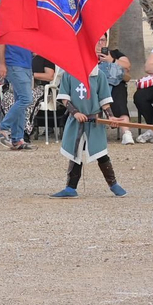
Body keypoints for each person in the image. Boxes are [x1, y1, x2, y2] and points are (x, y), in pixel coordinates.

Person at [51, 40, 127, 198]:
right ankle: (70, 188)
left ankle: (113, 184)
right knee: (75, 153)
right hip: (76, 121)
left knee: (101, 153)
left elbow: (104, 101)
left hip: (94, 122)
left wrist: (111, 117)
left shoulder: (99, 76)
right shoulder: (69, 74)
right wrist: (75, 113)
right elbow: (65, 98)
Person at [0, 39, 35, 151]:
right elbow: (0, 42)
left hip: (25, 64)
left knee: (21, 100)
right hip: (14, 64)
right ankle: (3, 127)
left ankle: (17, 139)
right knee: (26, 99)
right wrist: (2, 64)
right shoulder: (8, 27)